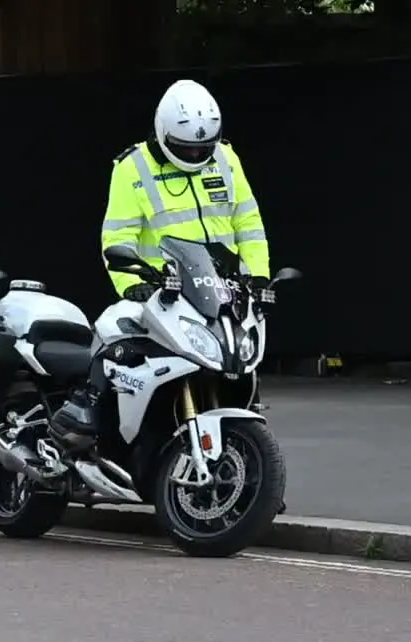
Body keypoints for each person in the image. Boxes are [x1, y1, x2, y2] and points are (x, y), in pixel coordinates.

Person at [49, 79, 271, 451]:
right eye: (186, 148)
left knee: (240, 365)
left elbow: (248, 223)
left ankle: (251, 458)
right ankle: (85, 411)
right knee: (112, 328)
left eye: (204, 148)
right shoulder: (132, 167)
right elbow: (118, 237)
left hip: (219, 290)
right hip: (159, 290)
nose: (198, 155)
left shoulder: (227, 158)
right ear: (162, 132)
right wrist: (131, 284)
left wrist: (259, 274)